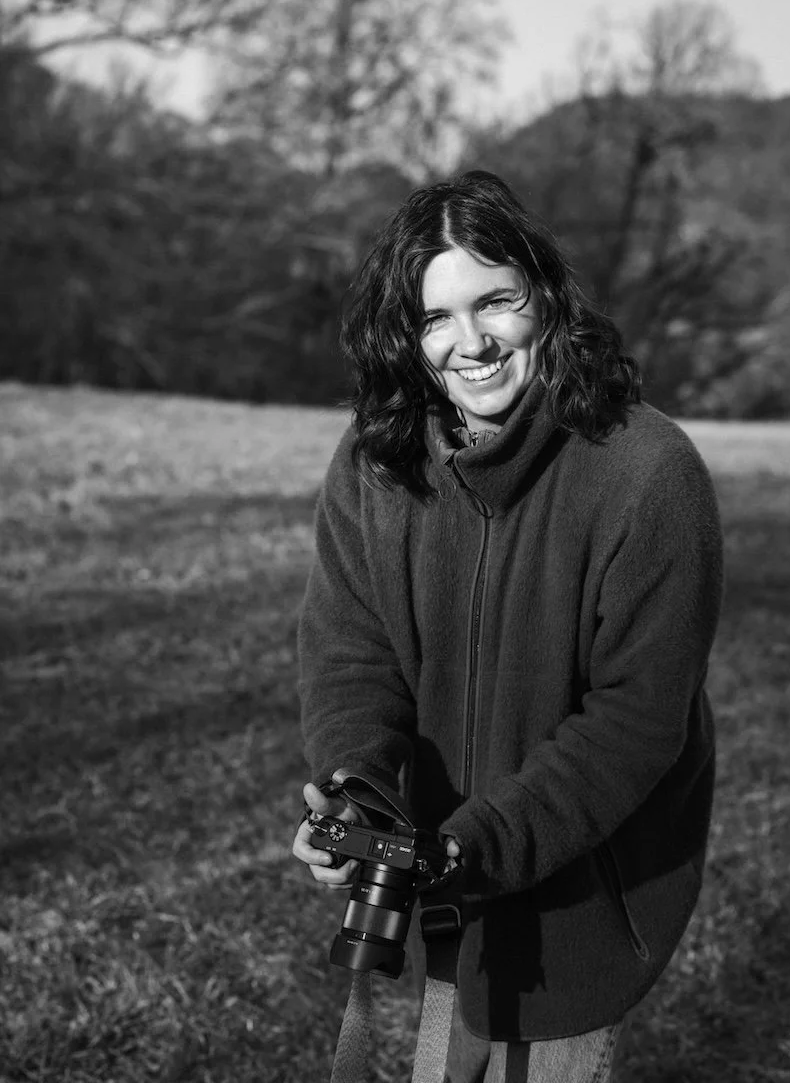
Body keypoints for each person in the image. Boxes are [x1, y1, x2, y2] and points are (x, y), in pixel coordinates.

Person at [292, 170, 723, 1083]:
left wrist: (473, 845)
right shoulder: (376, 462)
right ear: (403, 335)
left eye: (495, 302)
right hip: (445, 890)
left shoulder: (649, 473)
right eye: (434, 318)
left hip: (579, 905)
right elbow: (351, 651)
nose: (471, 342)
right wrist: (356, 792)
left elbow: (637, 718)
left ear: (545, 297)